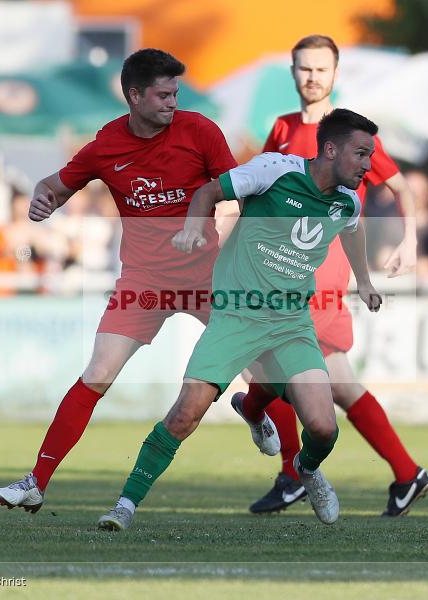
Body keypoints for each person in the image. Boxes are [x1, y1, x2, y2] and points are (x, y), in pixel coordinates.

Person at [96, 108, 384, 531]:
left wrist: (365, 281)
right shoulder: (275, 171)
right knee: (184, 415)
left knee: (324, 428)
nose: (367, 164)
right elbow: (208, 192)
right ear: (330, 149)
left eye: (369, 155)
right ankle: (124, 506)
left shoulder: (348, 202)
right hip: (236, 314)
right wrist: (194, 229)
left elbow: (353, 230)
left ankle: (305, 469)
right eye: (361, 153)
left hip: (291, 323)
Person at [0, 48, 237, 511]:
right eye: (163, 95)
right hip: (144, 281)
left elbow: (238, 195)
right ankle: (35, 482)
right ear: (134, 96)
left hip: (206, 274)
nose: (173, 102)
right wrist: (42, 201)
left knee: (261, 367)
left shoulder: (200, 130)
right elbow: (53, 185)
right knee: (98, 373)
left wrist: (219, 229)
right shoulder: (106, 144)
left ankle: (290, 464)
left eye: (176, 94)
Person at [232, 34, 428, 519]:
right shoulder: (282, 127)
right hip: (281, 271)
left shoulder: (348, 132)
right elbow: (261, 190)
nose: (312, 77)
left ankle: (291, 474)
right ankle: (407, 474)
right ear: (293, 72)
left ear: (335, 74)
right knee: (337, 382)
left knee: (265, 366)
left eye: (321, 69)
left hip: (316, 275)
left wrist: (409, 241)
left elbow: (401, 187)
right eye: (304, 68)